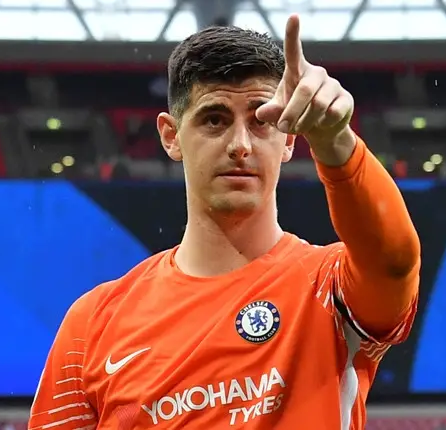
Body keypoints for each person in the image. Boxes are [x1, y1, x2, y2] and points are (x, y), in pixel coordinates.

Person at [29, 15, 419, 429]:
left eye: (261, 120)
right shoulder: (92, 325)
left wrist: (335, 140)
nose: (240, 145)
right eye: (214, 119)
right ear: (171, 135)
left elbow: (395, 260)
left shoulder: (331, 289)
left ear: (289, 138)